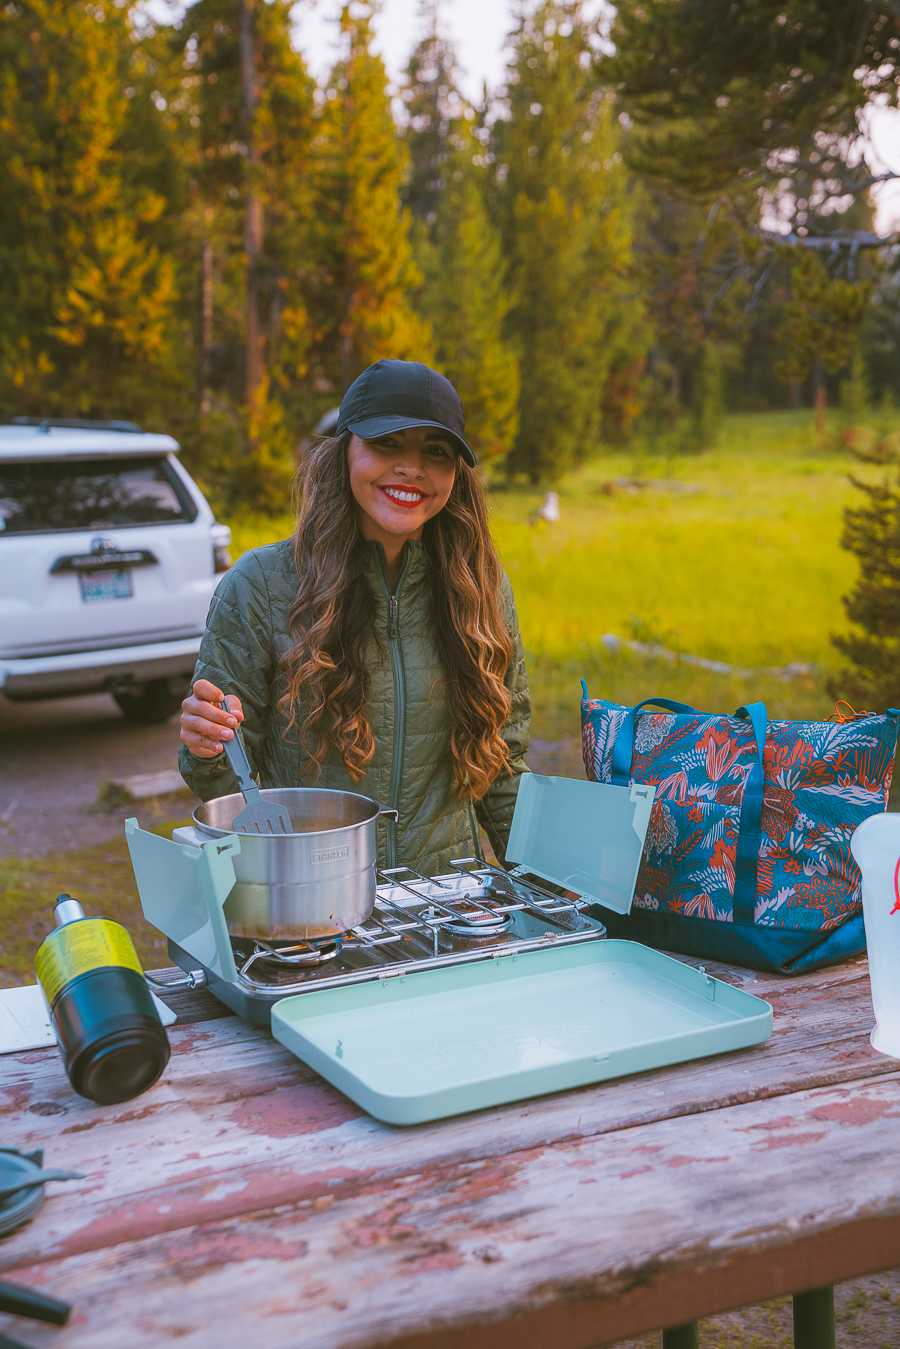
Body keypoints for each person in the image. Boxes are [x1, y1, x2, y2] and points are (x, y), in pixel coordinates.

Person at [179, 358, 530, 876]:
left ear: (458, 473)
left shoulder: (481, 590)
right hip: (310, 903)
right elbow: (227, 784)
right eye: (387, 443)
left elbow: (502, 769)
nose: (411, 468)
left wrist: (550, 887)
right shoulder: (260, 585)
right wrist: (207, 745)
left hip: (447, 911)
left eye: (435, 452)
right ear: (344, 450)